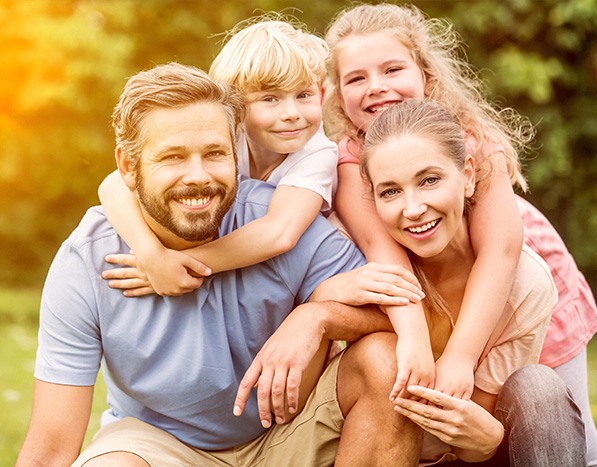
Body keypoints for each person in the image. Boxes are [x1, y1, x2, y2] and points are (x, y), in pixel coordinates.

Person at [15, 62, 422, 466]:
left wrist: (316, 318)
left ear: (235, 153)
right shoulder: (87, 260)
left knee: (383, 359)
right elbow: (50, 449)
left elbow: (400, 317)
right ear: (127, 166)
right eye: (173, 157)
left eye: (214, 154)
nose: (198, 176)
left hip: (288, 435)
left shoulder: (278, 222)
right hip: (160, 444)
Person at [323, 3, 597, 465]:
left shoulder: (470, 137)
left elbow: (500, 250)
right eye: (356, 78)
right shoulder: (349, 161)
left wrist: (458, 356)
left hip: (516, 277)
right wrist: (415, 336)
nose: (376, 86)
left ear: (426, 74)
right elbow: (382, 250)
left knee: (565, 424)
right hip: (436, 290)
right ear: (336, 95)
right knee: (467, 421)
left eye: (392, 68)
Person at [96, 18, 425, 306]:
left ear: (321, 96)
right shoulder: (225, 138)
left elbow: (279, 234)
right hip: (243, 273)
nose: (292, 113)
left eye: (303, 95)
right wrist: (152, 257)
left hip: (299, 272)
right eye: (270, 99)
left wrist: (179, 263)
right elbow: (113, 185)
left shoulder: (317, 153)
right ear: (236, 106)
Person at [356, 98, 586, 465]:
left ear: (468, 175)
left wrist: (489, 437)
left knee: (540, 390)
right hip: (395, 453)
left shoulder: (524, 286)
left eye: (429, 180)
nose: (412, 208)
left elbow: (466, 439)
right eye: (390, 191)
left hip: (478, 454)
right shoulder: (369, 266)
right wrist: (318, 309)